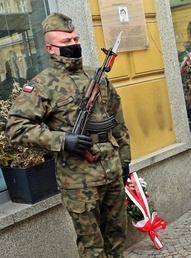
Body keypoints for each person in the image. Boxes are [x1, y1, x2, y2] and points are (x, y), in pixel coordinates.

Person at [6, 13, 131, 257]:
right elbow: (16, 128)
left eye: (75, 38)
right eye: (66, 41)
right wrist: (62, 140)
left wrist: (125, 159)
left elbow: (117, 120)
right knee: (92, 247)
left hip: (112, 170)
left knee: (117, 239)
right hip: (78, 181)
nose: (73, 44)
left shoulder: (96, 78)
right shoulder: (42, 85)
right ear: (50, 48)